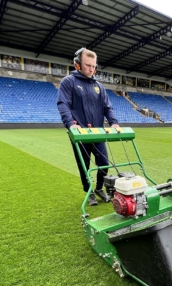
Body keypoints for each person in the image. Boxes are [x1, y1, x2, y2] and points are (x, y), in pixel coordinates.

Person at [57, 48, 120, 206]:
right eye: (88, 65)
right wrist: (70, 124)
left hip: (98, 132)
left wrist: (113, 122)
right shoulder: (68, 82)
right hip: (80, 134)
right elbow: (63, 104)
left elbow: (107, 107)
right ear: (77, 64)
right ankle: (89, 192)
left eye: (93, 66)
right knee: (84, 166)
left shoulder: (99, 86)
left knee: (104, 163)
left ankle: (99, 188)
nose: (91, 69)